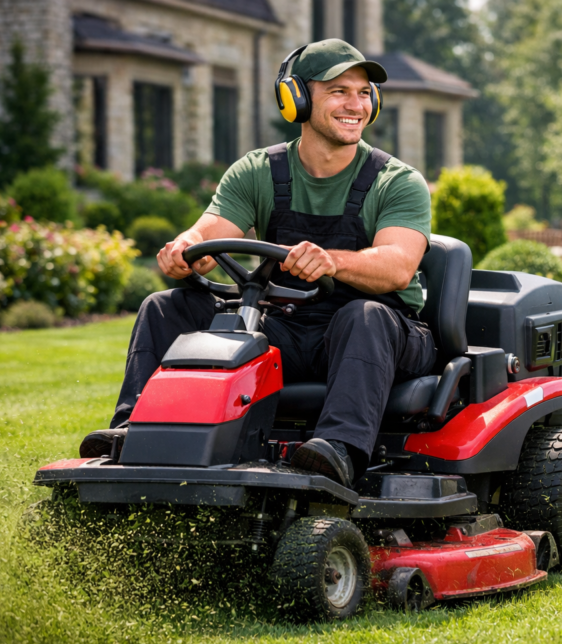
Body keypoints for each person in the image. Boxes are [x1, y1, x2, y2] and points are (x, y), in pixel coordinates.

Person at [80, 40, 436, 487]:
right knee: (165, 306)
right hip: (285, 325)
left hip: (382, 335)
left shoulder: (396, 181)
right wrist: (185, 248)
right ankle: (134, 430)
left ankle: (338, 451)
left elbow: (398, 266)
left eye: (364, 93)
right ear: (296, 97)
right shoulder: (258, 171)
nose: (356, 105)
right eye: (339, 91)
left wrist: (331, 261)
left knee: (362, 315)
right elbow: (206, 232)